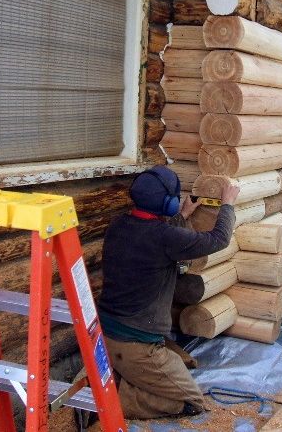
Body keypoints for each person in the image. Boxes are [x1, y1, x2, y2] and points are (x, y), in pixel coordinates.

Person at [91, 165, 239, 421]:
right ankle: (113, 399)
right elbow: (219, 240)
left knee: (180, 362)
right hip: (137, 345)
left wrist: (182, 216)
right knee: (191, 401)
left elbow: (157, 243)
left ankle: (123, 376)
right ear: (168, 203)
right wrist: (227, 204)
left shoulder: (119, 226)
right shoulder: (164, 237)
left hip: (106, 335)